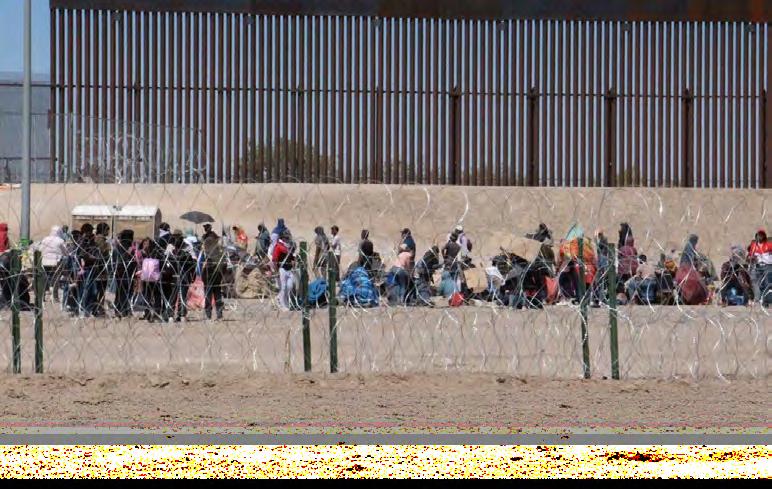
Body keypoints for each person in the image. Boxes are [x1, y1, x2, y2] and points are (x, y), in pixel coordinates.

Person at [198, 233, 228, 320]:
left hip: (207, 275)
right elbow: (225, 264)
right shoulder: (219, 250)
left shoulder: (204, 251)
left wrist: (201, 276)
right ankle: (219, 315)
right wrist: (222, 275)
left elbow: (199, 264)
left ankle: (208, 315)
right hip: (217, 275)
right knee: (218, 294)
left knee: (208, 295)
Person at [169, 231, 197, 322]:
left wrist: (192, 274)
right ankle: (171, 315)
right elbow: (166, 261)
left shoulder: (187, 246)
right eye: (175, 237)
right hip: (173, 275)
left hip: (184, 274)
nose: (177, 239)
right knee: (173, 295)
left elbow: (194, 261)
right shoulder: (170, 247)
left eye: (178, 237)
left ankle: (181, 314)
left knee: (182, 295)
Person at [35, 226, 67, 302]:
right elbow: (65, 252)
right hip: (56, 262)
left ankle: (42, 296)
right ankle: (55, 297)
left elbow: (40, 249)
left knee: (44, 279)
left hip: (44, 261)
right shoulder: (60, 241)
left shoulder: (45, 239)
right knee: (56, 279)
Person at [675, 234, 709, 305]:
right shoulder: (689, 246)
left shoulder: (690, 246)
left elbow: (695, 255)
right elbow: (690, 257)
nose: (696, 243)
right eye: (696, 241)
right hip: (686, 268)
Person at [112, 229, 137, 318]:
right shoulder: (120, 248)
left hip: (128, 273)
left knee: (126, 292)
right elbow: (119, 261)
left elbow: (133, 262)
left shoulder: (126, 248)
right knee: (122, 292)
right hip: (122, 273)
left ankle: (124, 310)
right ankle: (120, 310)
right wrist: (128, 253)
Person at [273, 230, 296, 311]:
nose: (288, 238)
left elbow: (293, 256)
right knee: (283, 287)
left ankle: (279, 299)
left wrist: (294, 261)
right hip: (282, 268)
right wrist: (276, 271)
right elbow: (275, 259)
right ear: (282, 237)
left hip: (290, 269)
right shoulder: (278, 246)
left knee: (290, 286)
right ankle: (283, 305)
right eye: (286, 237)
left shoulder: (291, 245)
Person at [747, 229, 771, 304]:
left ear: (764, 236)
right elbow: (749, 256)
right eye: (758, 235)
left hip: (767, 266)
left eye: (761, 235)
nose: (760, 236)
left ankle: (766, 300)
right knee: (757, 282)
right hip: (758, 266)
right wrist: (751, 258)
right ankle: (759, 298)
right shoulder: (754, 246)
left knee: (767, 283)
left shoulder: (768, 244)